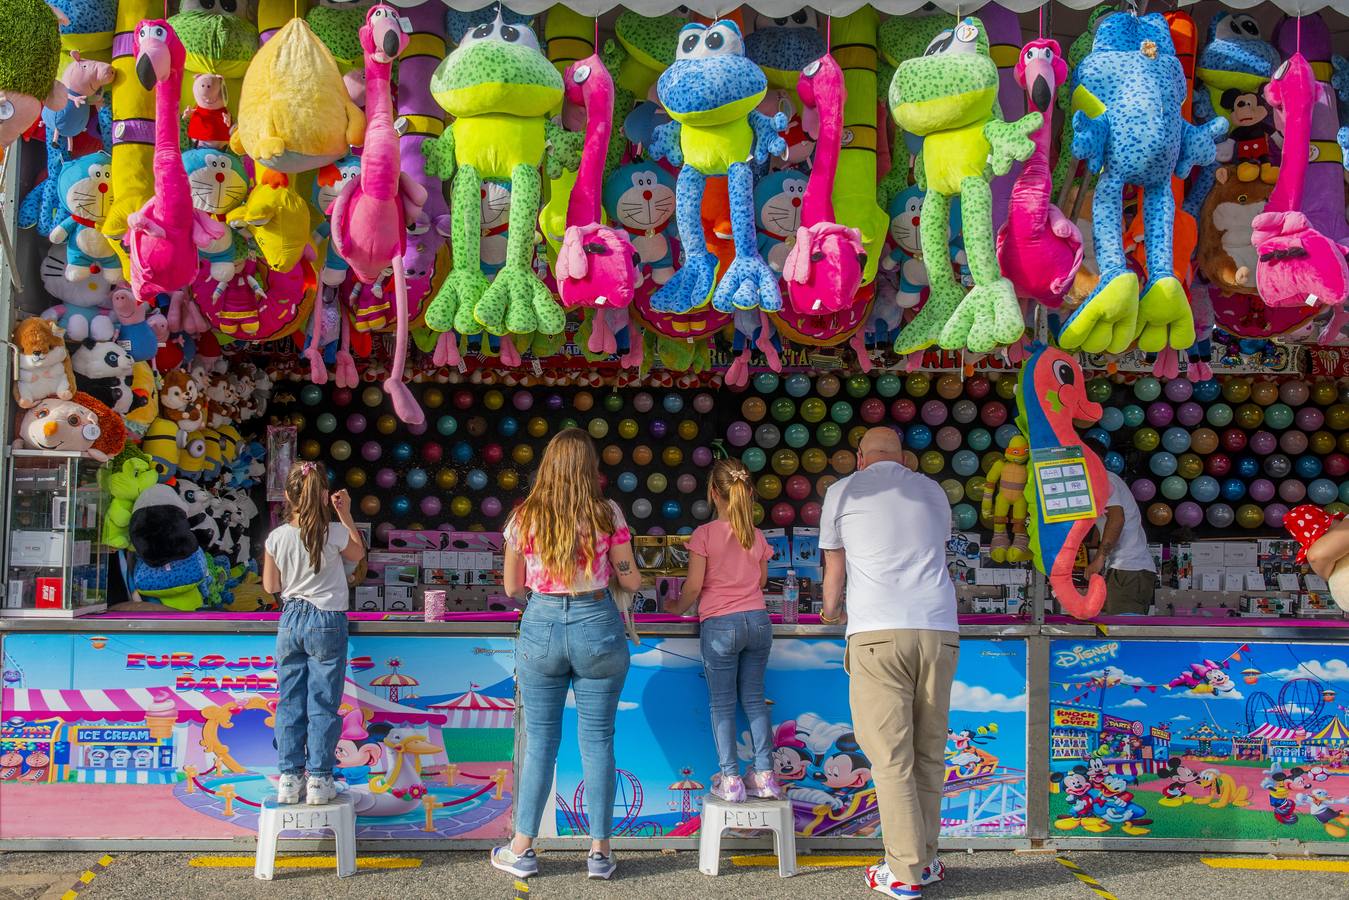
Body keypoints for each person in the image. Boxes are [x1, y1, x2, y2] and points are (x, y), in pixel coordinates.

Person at [494, 428, 642, 881]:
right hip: (597, 621)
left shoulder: (525, 516)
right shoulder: (607, 512)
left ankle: (522, 849)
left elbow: (513, 587)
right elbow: (631, 579)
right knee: (597, 742)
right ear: (589, 468)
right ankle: (599, 852)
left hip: (541, 624)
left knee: (539, 740)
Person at [819, 427, 958, 899]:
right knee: (928, 752)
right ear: (904, 458)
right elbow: (935, 548)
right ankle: (927, 858)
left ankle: (903, 872)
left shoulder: (842, 492)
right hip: (939, 630)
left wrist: (830, 610)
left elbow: (834, 569)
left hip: (877, 631)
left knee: (890, 758)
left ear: (861, 458)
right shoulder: (933, 491)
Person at [666, 458, 779, 802]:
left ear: (714, 493)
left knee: (723, 704)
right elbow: (760, 580)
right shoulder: (757, 536)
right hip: (758, 623)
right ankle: (765, 775)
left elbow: (694, 587)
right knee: (755, 701)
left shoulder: (704, 535)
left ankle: (730, 778)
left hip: (720, 625)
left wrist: (674, 607)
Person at [261, 461, 365, 806]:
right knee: (323, 703)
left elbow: (271, 585)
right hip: (327, 620)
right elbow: (358, 553)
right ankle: (320, 778)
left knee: (290, 703)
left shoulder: (276, 537)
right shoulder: (333, 532)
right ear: (323, 495)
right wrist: (345, 514)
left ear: (289, 497)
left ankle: (289, 778)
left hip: (290, 618)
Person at [1083, 436, 1158, 614]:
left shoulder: (1105, 479)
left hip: (1129, 570)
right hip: (1120, 568)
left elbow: (1116, 518)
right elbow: (1103, 519)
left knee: (1122, 631)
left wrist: (1099, 558)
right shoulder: (1099, 481)